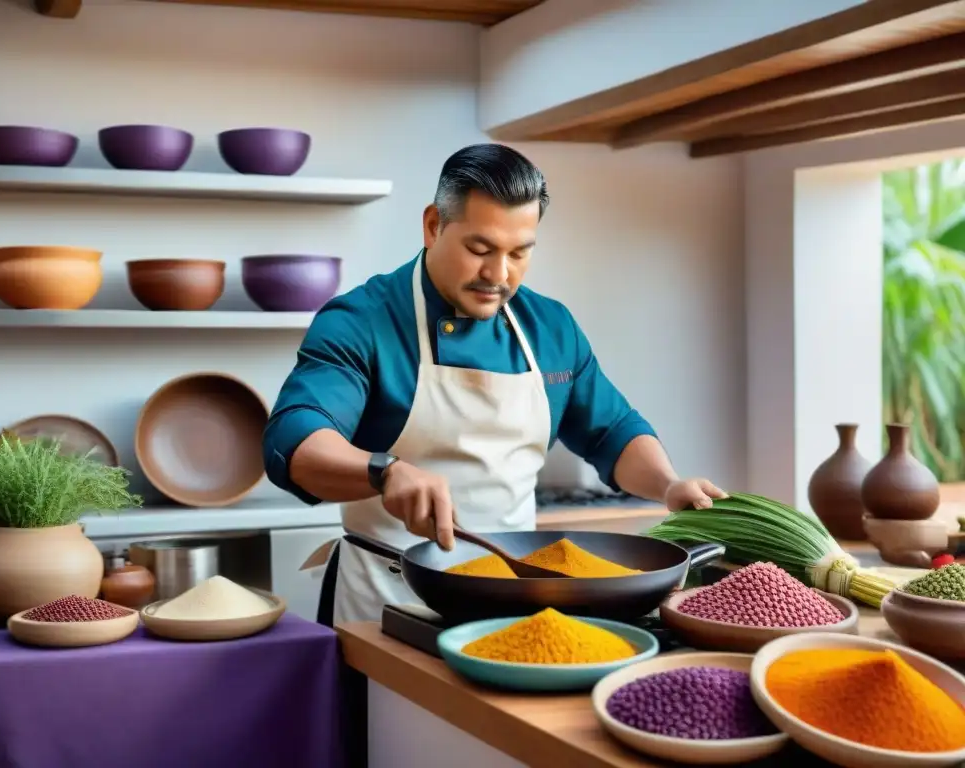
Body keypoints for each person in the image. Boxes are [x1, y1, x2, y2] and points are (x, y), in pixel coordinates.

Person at [263, 143, 726, 627]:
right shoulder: (361, 321)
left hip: (516, 599)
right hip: (386, 602)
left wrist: (668, 484)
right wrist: (385, 472)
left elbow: (611, 431)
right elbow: (294, 440)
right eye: (479, 250)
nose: (498, 275)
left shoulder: (551, 328)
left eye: (519, 253)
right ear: (433, 225)